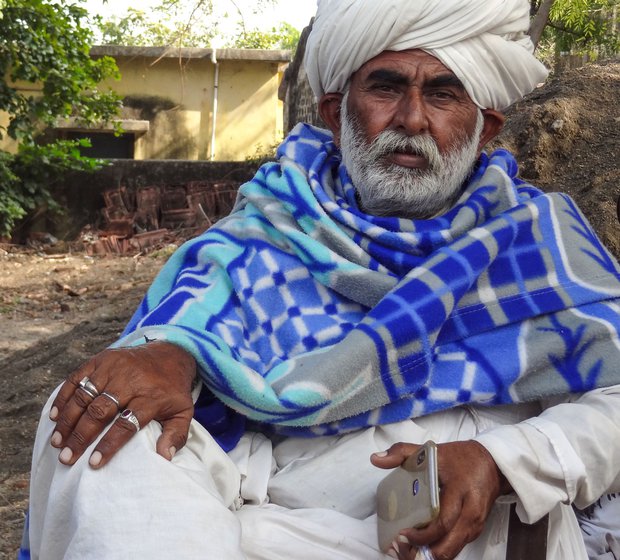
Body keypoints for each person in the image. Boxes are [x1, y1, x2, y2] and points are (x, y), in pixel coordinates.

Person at [24, 0, 620, 558]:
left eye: (443, 95)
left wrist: (503, 459)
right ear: (337, 114)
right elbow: (194, 316)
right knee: (98, 409)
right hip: (244, 512)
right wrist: (174, 353)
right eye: (386, 88)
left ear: (484, 129)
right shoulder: (273, 220)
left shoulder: (536, 238)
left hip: (449, 533)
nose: (411, 120)